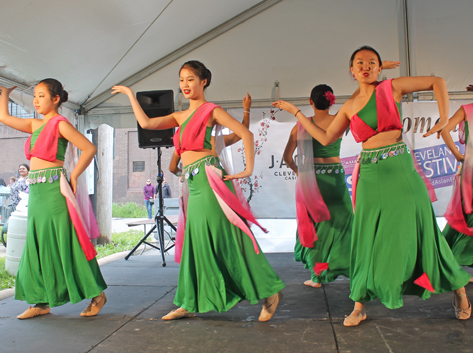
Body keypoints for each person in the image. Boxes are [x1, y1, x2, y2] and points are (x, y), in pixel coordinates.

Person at [273, 46, 471, 326]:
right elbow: (327, 137)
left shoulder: (392, 87)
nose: (365, 67)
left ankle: (458, 288)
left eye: (372, 63)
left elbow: (436, 82)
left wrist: (444, 119)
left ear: (379, 68)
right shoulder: (351, 105)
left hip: (399, 168)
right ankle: (359, 305)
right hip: (367, 174)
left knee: (422, 229)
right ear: (351, 71)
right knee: (367, 238)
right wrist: (296, 112)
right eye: (359, 63)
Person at [112, 60, 285, 321]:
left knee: (226, 236)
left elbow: (244, 134)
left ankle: (269, 290)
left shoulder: (211, 110)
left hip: (209, 178)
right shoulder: (180, 117)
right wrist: (129, 94)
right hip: (192, 183)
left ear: (204, 81)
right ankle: (189, 301)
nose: (185, 85)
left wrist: (248, 168)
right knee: (196, 241)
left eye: (190, 79)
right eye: (181, 80)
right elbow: (146, 123)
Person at [0, 79, 107, 319]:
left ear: (55, 99)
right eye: (34, 97)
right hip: (36, 191)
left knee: (67, 241)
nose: (36, 100)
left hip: (54, 190)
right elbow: (4, 118)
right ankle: (40, 301)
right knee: (37, 244)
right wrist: (5, 93)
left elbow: (89, 148)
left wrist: (76, 175)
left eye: (40, 96)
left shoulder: (60, 124)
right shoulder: (35, 124)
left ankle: (97, 294)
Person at [282, 85, 352, 288]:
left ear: (310, 101)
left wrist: (300, 173)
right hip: (335, 177)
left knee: (314, 225)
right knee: (343, 222)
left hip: (311, 180)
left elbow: (287, 157)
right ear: (332, 101)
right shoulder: (340, 122)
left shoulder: (299, 127)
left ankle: (317, 276)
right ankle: (351, 266)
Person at [168, 93, 252, 176]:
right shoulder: (215, 141)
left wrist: (185, 177)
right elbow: (242, 132)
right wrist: (246, 110)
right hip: (217, 183)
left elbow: (172, 168)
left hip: (197, 184)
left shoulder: (182, 143)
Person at [441, 103, 473, 283]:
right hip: (471, 172)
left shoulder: (467, 110)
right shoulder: (467, 110)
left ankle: (449, 260)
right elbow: (444, 130)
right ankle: (452, 261)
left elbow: (445, 130)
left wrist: (459, 156)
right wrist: (458, 156)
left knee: (467, 217)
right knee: (468, 217)